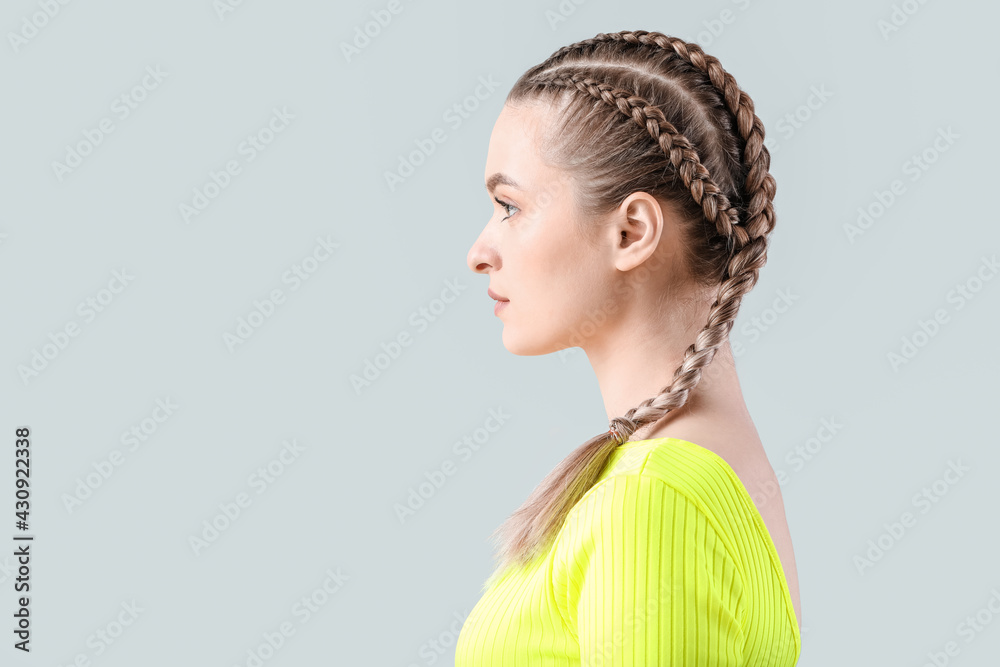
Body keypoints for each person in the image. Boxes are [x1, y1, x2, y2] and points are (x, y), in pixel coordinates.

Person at [456, 30, 802, 666]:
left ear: (631, 231)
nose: (479, 252)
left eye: (509, 205)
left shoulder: (658, 496)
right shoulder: (678, 473)